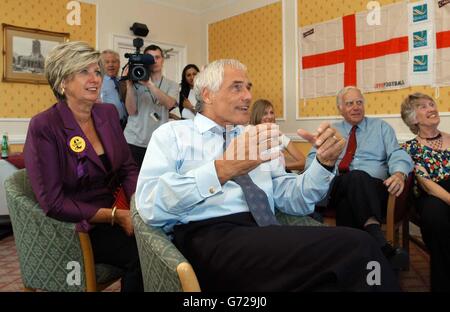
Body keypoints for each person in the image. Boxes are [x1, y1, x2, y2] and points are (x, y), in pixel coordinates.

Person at [135, 59, 401, 291]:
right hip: (210, 238)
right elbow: (149, 205)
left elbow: (293, 199)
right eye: (237, 87)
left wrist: (323, 164)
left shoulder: (258, 137)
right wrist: (221, 170)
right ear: (208, 94)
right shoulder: (173, 135)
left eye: (248, 87)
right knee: (360, 246)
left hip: (265, 233)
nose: (248, 96)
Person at [23, 41, 143, 292]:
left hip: (119, 209)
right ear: (62, 81)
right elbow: (53, 203)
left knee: (168, 239)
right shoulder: (45, 126)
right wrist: (115, 216)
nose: (95, 79)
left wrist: (135, 206)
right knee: (143, 254)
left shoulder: (108, 113)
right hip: (80, 227)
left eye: (97, 71)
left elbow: (127, 169)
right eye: (84, 72)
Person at [305, 86, 413, 270]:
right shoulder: (330, 131)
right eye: (349, 103)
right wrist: (323, 163)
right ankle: (381, 247)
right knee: (354, 178)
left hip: (374, 189)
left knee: (349, 200)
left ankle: (352, 268)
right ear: (340, 108)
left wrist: (399, 173)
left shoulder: (380, 127)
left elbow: (397, 153)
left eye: (359, 102)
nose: (356, 107)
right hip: (335, 187)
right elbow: (310, 161)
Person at [400, 93, 450, 292]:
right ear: (413, 119)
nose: (431, 108)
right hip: (432, 195)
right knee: (435, 217)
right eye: (423, 107)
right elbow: (426, 182)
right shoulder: (409, 148)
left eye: (432, 104)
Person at [124, 44, 179, 168]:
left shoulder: (172, 84)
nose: (154, 61)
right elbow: (131, 111)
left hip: (158, 142)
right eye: (150, 57)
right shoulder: (135, 81)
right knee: (133, 181)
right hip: (133, 140)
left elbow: (170, 103)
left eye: (157, 57)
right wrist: (129, 85)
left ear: (163, 60)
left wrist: (149, 84)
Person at [250, 99, 306, 171]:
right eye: (265, 113)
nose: (270, 117)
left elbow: (303, 162)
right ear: (257, 115)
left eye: (271, 112)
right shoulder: (249, 134)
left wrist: (282, 166)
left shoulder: (280, 136)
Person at [99, 49, 128, 129]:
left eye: (114, 61)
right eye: (107, 62)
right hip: (109, 125)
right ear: (101, 65)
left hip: (127, 125)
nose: (111, 65)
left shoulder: (124, 81)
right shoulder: (97, 83)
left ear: (119, 64)